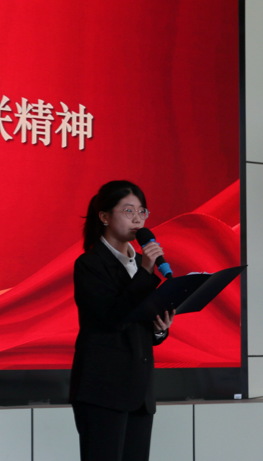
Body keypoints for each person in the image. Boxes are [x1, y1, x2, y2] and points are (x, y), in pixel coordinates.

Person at [70, 180, 175, 461]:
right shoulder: (90, 264)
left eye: (142, 211)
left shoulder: (140, 265)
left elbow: (138, 324)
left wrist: (159, 330)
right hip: (102, 391)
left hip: (139, 393)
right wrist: (146, 272)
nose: (137, 219)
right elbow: (113, 317)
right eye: (128, 211)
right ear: (104, 216)